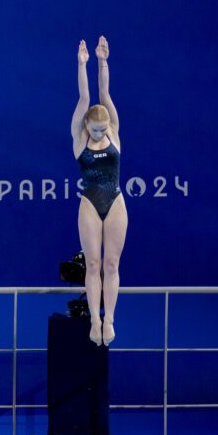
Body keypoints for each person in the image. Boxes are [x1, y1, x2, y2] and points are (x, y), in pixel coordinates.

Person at [71, 36, 127, 346]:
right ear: (85, 128)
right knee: (93, 264)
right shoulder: (80, 140)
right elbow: (85, 98)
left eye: (103, 130)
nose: (100, 134)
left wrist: (103, 61)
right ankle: (94, 319)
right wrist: (82, 65)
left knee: (112, 264)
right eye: (95, 130)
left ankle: (110, 319)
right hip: (90, 202)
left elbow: (104, 93)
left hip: (116, 200)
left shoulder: (114, 132)